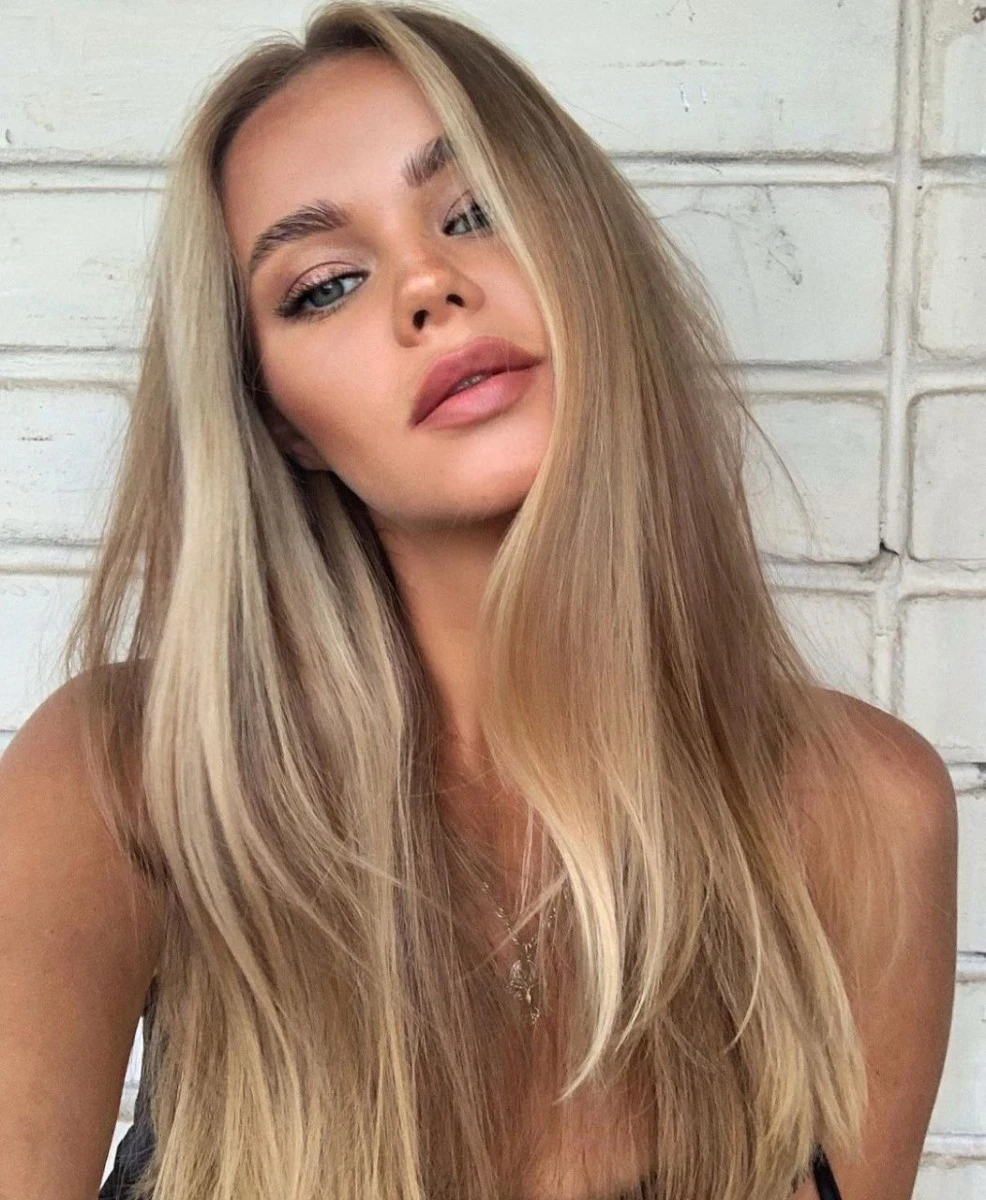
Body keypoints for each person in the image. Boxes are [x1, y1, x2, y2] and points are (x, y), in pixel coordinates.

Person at [0, 4, 958, 1199]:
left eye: (472, 213)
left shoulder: (862, 813)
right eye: (324, 285)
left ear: (583, 252)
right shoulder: (126, 783)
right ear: (280, 423)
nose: (428, 285)